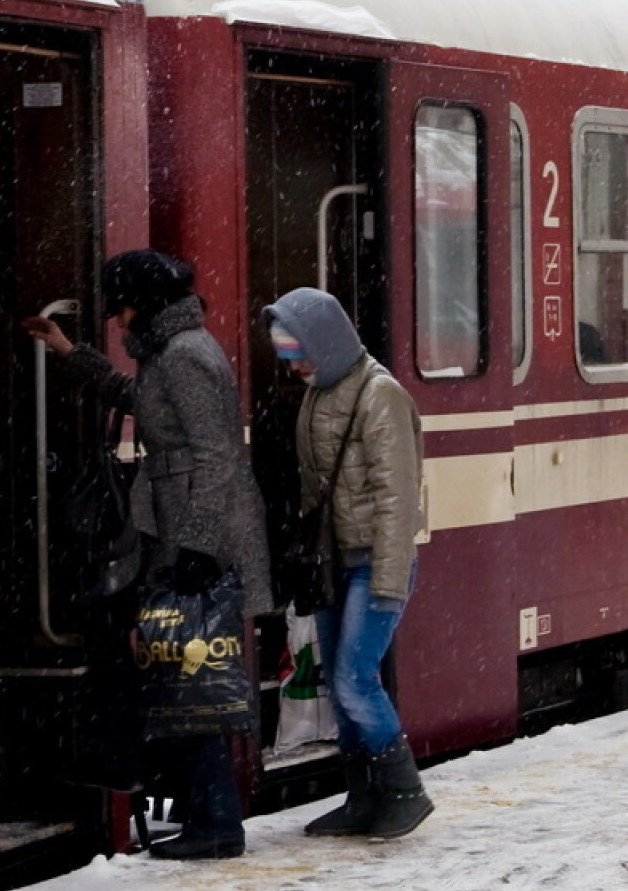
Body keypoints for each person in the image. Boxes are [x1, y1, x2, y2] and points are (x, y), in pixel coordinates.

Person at [24, 249, 272, 861]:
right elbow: (138, 398)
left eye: (124, 307)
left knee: (192, 677)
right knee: (183, 670)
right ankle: (203, 813)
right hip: (180, 529)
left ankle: (216, 822)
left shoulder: (186, 355)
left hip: (194, 535)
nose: (118, 318)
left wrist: (198, 548)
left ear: (148, 303)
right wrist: (70, 353)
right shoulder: (173, 352)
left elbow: (216, 456)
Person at [261, 287, 432, 840]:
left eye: (300, 353)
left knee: (355, 680)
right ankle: (362, 797)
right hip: (335, 565)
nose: (295, 367)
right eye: (288, 356)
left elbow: (396, 498)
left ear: (326, 342)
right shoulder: (320, 393)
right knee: (341, 685)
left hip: (373, 563)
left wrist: (388, 579)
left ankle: (405, 792)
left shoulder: (380, 394)